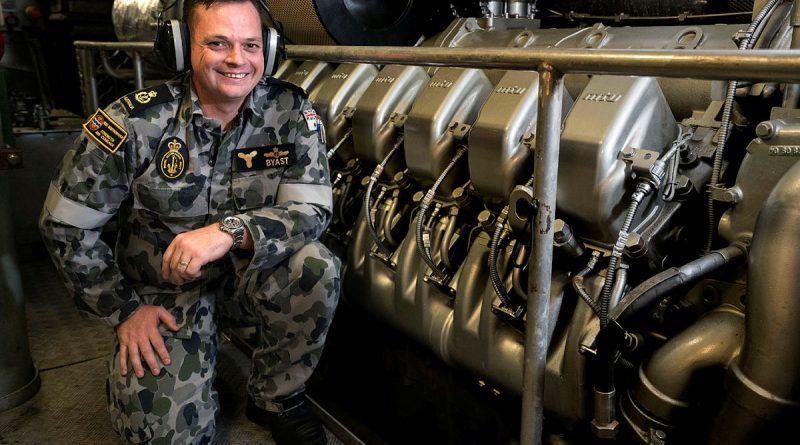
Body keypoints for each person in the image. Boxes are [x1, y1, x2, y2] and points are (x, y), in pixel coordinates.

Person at [38, 0, 340, 443]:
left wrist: (229, 231)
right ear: (181, 46)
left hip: (249, 276)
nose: (237, 59)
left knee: (316, 268)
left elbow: (310, 210)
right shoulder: (134, 122)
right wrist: (124, 312)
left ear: (269, 50)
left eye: (250, 45)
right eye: (217, 43)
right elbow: (64, 224)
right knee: (164, 436)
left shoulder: (290, 111)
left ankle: (276, 396)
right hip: (164, 294)